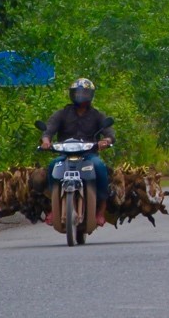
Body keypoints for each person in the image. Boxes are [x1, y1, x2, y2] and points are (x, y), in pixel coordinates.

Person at [41, 77, 115, 226]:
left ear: (91, 95)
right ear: (72, 94)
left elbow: (110, 134)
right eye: (78, 93)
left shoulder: (97, 115)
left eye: (85, 93)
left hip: (88, 156)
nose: (81, 96)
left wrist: (106, 141)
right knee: (52, 166)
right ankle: (54, 205)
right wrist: (46, 141)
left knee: (100, 167)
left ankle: (101, 208)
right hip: (65, 155)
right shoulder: (62, 114)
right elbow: (48, 130)